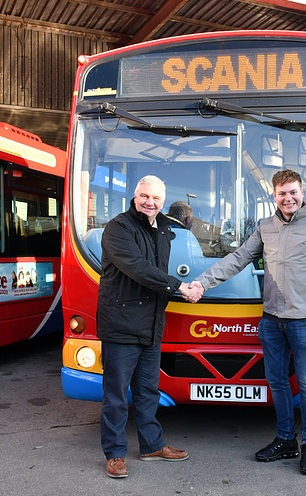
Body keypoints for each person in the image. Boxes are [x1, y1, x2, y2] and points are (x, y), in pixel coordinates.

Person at [190, 169, 306, 475]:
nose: (288, 198)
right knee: (276, 382)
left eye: (293, 192)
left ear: (302, 193)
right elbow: (238, 258)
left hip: (305, 323)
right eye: (282, 193)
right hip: (271, 321)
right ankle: (286, 440)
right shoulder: (265, 227)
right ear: (274, 196)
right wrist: (202, 283)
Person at [98, 175, 202, 479]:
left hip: (151, 323)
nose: (150, 202)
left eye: (156, 198)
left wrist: (191, 285)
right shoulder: (118, 228)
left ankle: (151, 445)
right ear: (134, 196)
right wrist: (181, 287)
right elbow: (138, 269)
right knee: (116, 395)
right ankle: (115, 454)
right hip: (121, 325)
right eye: (144, 196)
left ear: (162, 200)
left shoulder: (164, 229)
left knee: (147, 391)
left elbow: (158, 271)